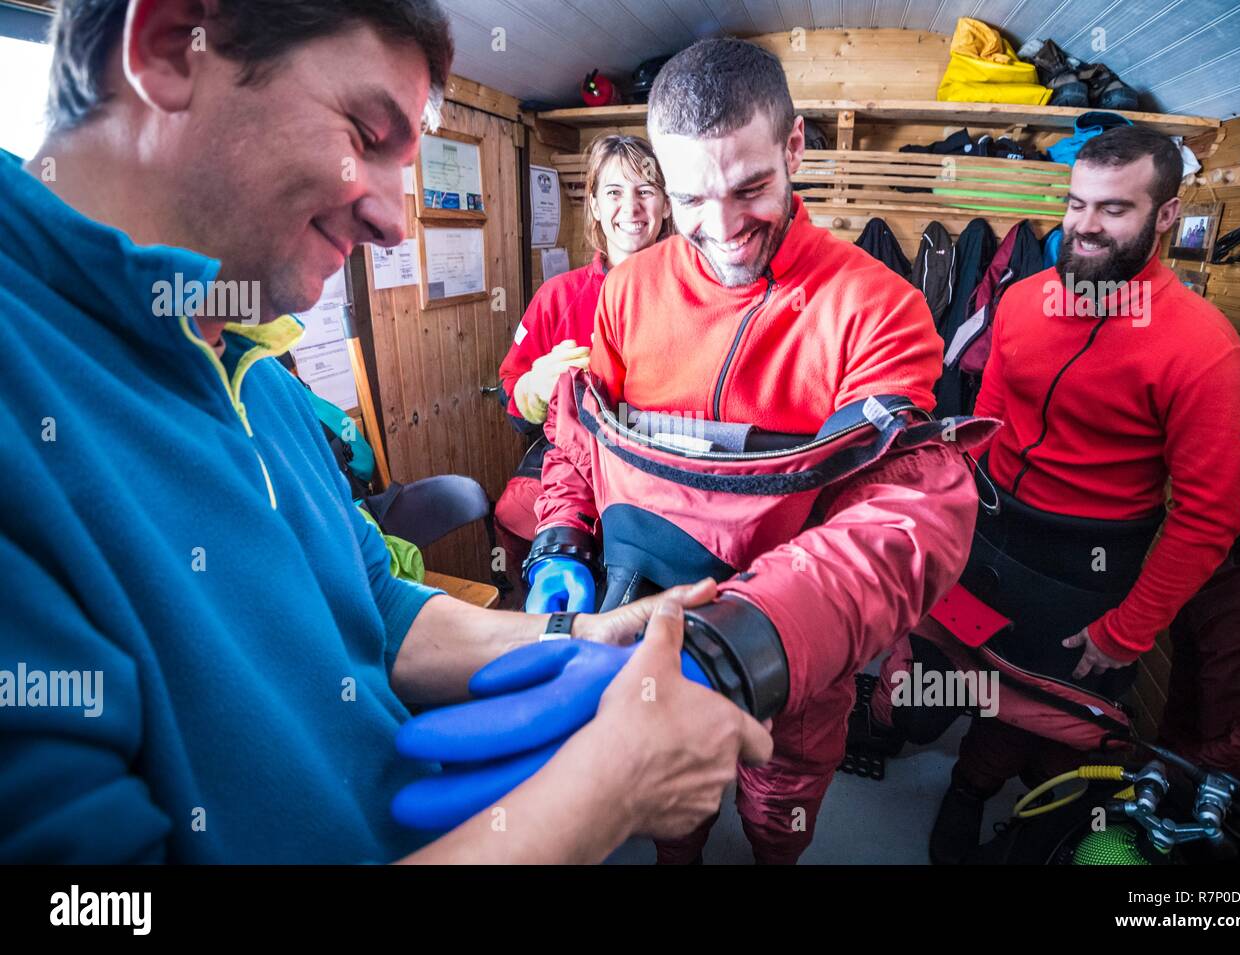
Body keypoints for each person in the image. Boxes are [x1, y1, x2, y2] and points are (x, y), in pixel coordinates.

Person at [0, 0, 770, 864]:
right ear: (173, 42)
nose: (393, 221)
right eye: (366, 133)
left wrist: (577, 637)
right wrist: (608, 791)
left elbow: (378, 606)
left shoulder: (250, 364)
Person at [524, 38, 989, 863]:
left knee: (781, 816)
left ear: (795, 148)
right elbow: (579, 440)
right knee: (677, 817)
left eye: (751, 188)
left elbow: (899, 522)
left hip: (795, 665)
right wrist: (562, 539)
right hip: (645, 624)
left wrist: (750, 641)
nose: (723, 228)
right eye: (691, 197)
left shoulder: (879, 308)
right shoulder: (626, 292)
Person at [866, 125, 1240, 864]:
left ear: (1165, 216)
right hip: (989, 535)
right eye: (1077, 203)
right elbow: (986, 415)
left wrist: (1127, 628)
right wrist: (948, 515)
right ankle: (940, 759)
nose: (1083, 225)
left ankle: (972, 791)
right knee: (927, 687)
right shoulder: (1021, 300)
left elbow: (1210, 519)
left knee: (1047, 717)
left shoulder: (1207, 351)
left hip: (1089, 565)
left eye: (1113, 209)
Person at [494, 135, 670, 595]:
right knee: (513, 512)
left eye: (646, 190)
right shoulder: (557, 297)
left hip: (661, 472)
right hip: (575, 467)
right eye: (613, 192)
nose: (630, 207)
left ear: (667, 204)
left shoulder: (692, 293)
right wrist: (534, 386)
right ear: (593, 205)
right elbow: (512, 400)